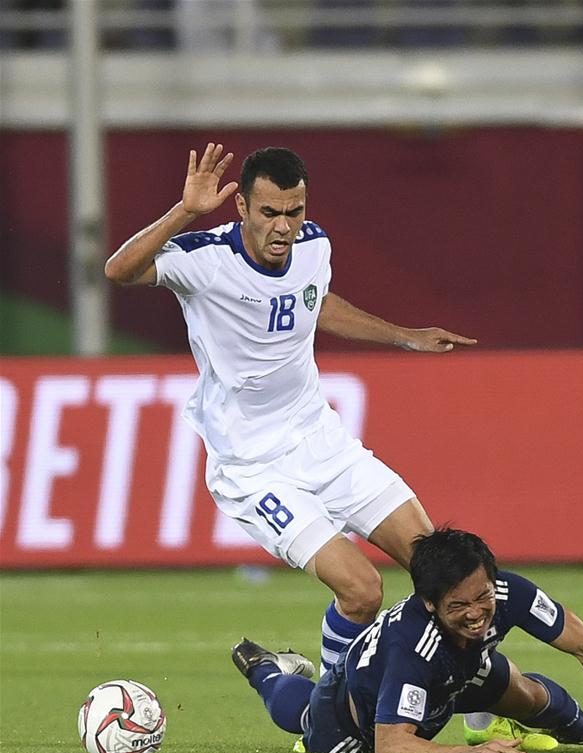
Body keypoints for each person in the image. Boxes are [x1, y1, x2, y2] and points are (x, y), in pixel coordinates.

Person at [104, 144, 477, 672]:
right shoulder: (203, 260)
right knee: (362, 590)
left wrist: (404, 336)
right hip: (253, 468)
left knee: (447, 573)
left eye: (294, 212)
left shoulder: (314, 246)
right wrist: (186, 210)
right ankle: (329, 706)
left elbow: (315, 302)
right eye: (270, 213)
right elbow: (118, 271)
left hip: (321, 441)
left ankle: (480, 707)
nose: (284, 227)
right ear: (242, 209)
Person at [231, 528, 583, 753]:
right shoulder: (414, 647)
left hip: (457, 670)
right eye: (459, 605)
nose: (477, 613)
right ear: (430, 603)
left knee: (527, 693)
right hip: (353, 719)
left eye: (482, 595)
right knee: (309, 716)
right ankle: (266, 669)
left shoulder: (505, 593)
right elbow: (393, 746)